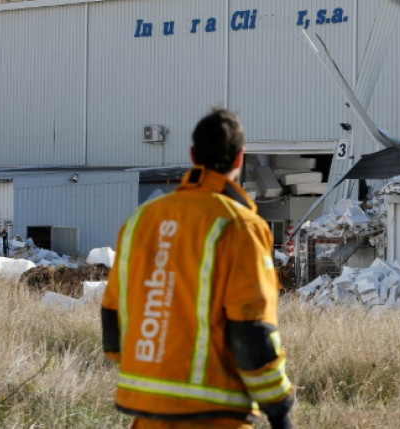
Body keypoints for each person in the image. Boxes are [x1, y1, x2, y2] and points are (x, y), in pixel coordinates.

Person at [102, 108, 295, 429]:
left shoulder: (141, 221)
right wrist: (280, 411)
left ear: (192, 155)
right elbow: (252, 331)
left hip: (148, 417)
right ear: (239, 159)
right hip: (216, 418)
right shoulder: (241, 226)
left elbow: (113, 324)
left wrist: (157, 369)